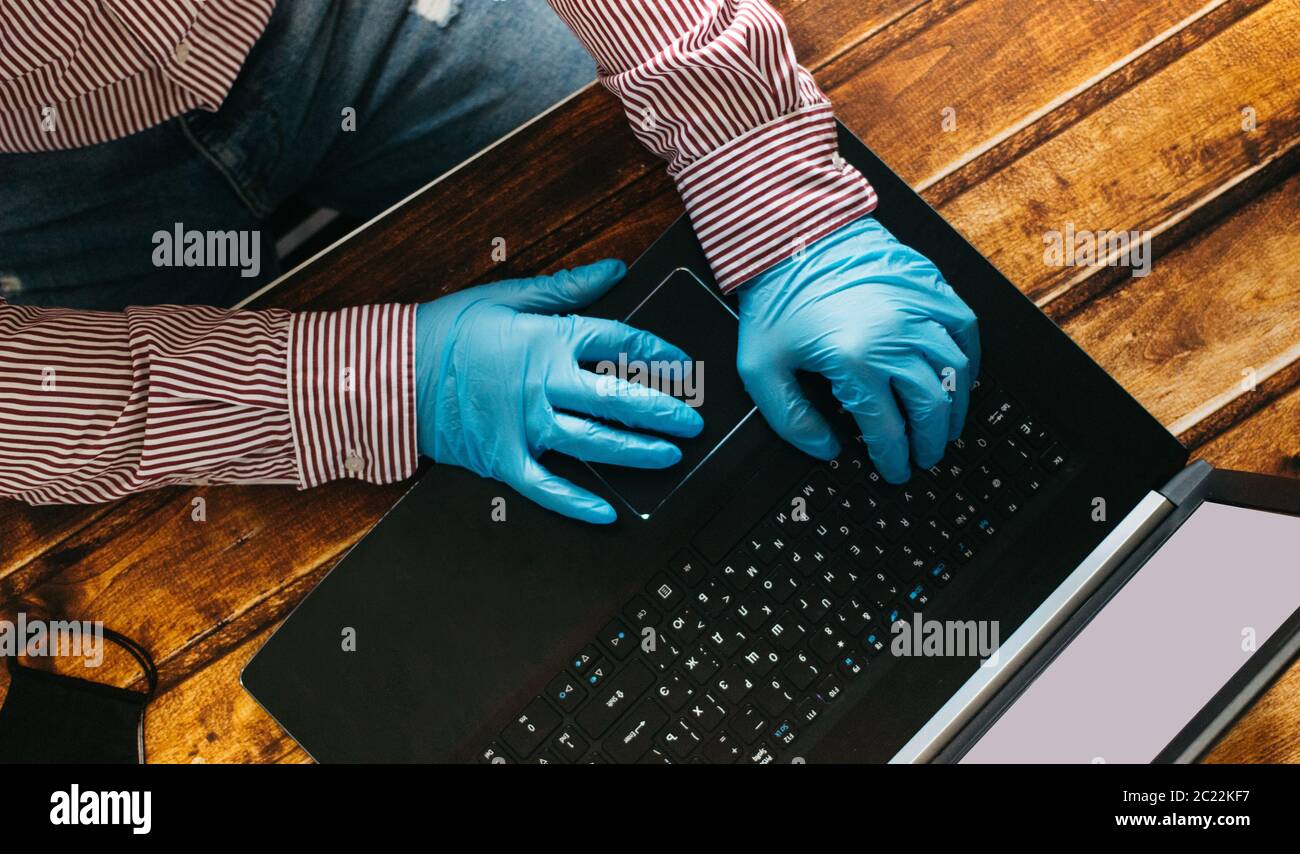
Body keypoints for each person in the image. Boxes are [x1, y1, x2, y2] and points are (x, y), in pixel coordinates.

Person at [0, 0, 979, 522]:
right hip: (38, 208)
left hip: (342, 20)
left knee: (651, 276)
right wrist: (389, 384)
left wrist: (779, 205)